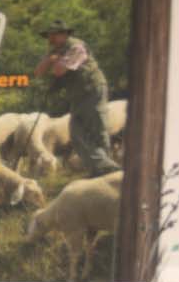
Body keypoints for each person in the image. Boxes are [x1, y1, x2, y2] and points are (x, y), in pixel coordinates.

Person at [32, 21, 119, 175]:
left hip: (91, 89)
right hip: (78, 95)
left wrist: (53, 60)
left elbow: (59, 70)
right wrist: (51, 58)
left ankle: (106, 168)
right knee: (76, 133)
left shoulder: (76, 47)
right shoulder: (56, 50)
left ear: (63, 34)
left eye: (53, 34)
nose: (50, 38)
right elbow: (38, 72)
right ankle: (101, 167)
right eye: (49, 35)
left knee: (97, 128)